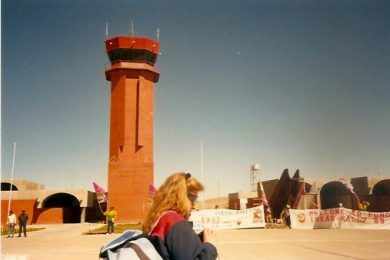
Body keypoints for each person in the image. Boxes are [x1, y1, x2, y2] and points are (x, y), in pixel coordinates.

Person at [143, 172, 218, 260]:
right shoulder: (177, 224)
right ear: (182, 197)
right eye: (193, 200)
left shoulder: (162, 218)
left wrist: (193, 239)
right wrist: (209, 246)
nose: (194, 206)